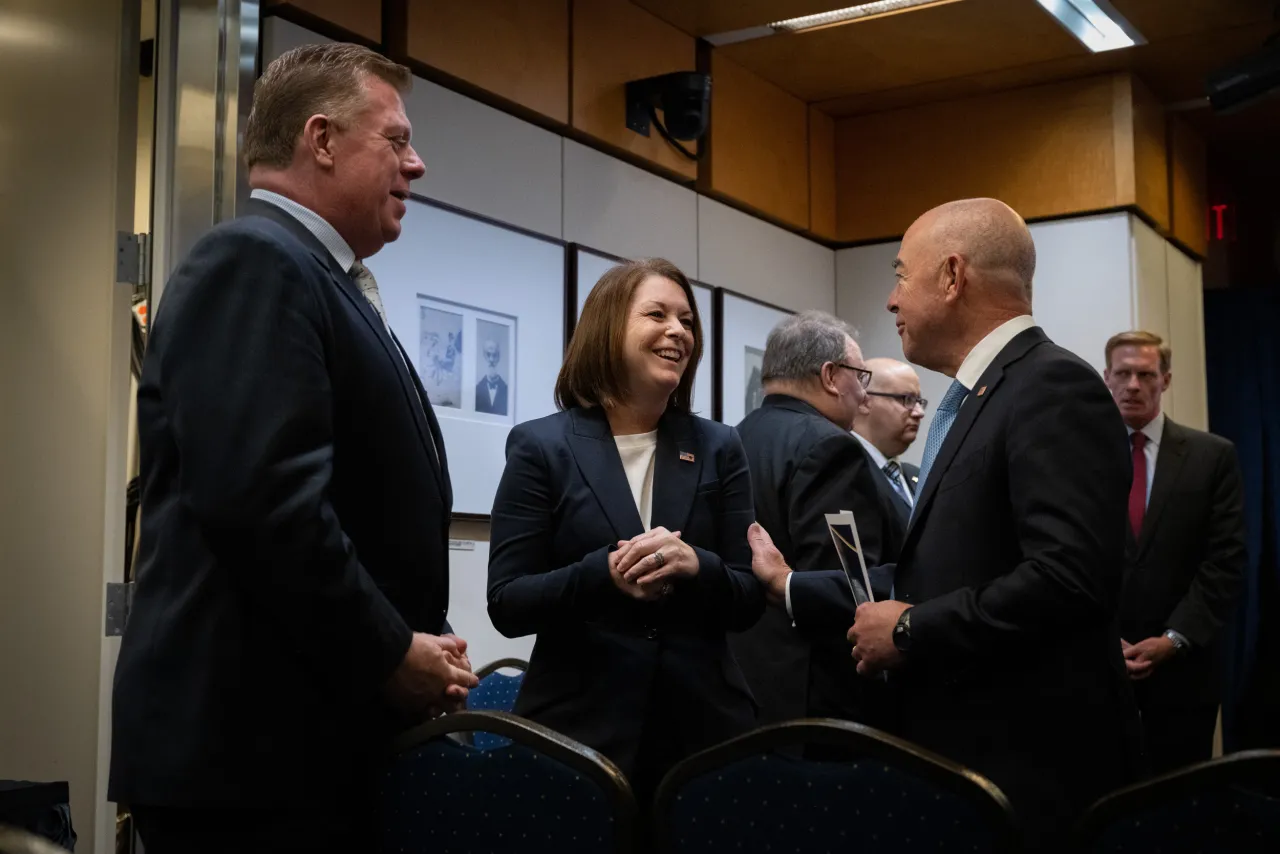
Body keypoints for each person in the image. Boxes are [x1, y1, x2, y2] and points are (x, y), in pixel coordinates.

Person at [109, 44, 478, 854]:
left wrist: (418, 640)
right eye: (396, 140)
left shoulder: (315, 274)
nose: (416, 166)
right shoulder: (255, 261)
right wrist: (390, 651)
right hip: (250, 763)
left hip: (297, 749)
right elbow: (266, 503)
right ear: (320, 139)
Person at [748, 198, 1140, 845]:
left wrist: (907, 627)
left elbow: (1069, 577)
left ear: (953, 277)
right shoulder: (979, 399)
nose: (891, 301)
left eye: (902, 275)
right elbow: (937, 569)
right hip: (970, 765)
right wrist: (789, 584)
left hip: (1032, 775)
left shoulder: (1051, 387)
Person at [487, 258, 763, 809]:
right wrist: (602, 576)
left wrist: (697, 566)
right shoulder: (542, 446)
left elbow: (748, 597)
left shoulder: (719, 445)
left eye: (687, 320)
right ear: (609, 328)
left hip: (702, 736)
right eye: (657, 314)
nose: (678, 331)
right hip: (576, 734)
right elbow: (508, 602)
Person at [729, 312, 897, 728]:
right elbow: (850, 588)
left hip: (741, 683)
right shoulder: (830, 448)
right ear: (830, 375)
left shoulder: (731, 438)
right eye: (861, 376)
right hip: (816, 699)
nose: (864, 396)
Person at [1104, 330, 1246, 775]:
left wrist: (1173, 640)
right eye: (1123, 373)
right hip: (1098, 670)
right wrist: (1101, 642)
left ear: (1165, 380)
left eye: (1145, 374)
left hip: (1183, 672)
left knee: (1182, 808)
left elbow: (1225, 562)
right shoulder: (1075, 457)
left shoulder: (1212, 456)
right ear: (1105, 377)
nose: (1133, 385)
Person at [852, 357, 925, 522]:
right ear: (864, 400)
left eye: (919, 401)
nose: (919, 412)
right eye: (907, 399)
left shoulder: (918, 478)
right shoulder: (842, 473)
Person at [475, 338, 509, 414]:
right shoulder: (475, 391)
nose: (491, 359)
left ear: (499, 357)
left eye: (495, 355)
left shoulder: (508, 392)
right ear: (483, 356)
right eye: (488, 355)